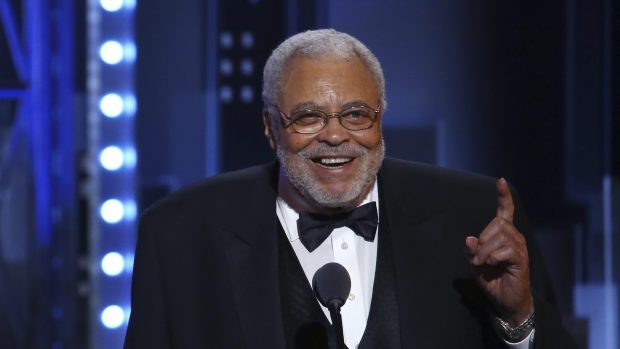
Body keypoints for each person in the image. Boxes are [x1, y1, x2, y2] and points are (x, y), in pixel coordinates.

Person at [124, 29, 576, 349]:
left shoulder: (474, 212)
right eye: (308, 116)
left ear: (380, 117)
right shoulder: (179, 233)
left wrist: (518, 321)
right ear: (269, 127)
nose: (336, 136)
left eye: (357, 114)